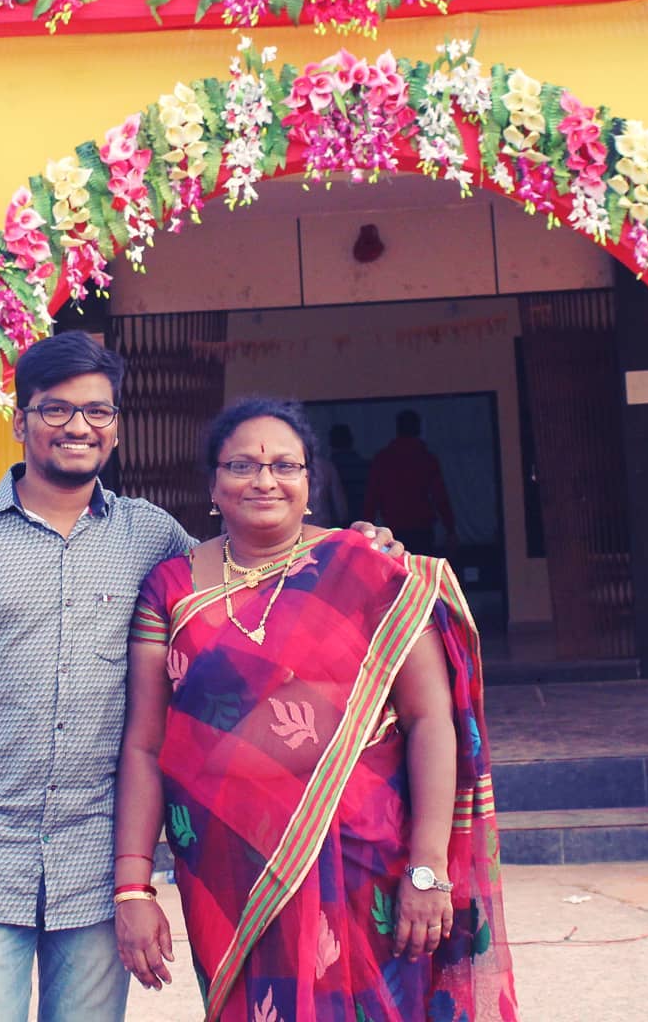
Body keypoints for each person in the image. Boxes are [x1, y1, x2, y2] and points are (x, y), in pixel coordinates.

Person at [0, 333, 401, 1022]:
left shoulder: (153, 539)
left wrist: (351, 552)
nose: (78, 427)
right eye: (56, 409)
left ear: (116, 425)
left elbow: (250, 588)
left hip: (96, 860)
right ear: (20, 421)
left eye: (97, 412)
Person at [114, 398, 518, 1021]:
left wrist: (428, 869)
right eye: (242, 465)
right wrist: (133, 884)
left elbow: (430, 720)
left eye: (285, 464)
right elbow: (145, 743)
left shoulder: (370, 569)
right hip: (230, 869)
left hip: (368, 857)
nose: (264, 479)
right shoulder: (170, 587)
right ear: (213, 485)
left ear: (311, 482)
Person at [362, 409, 457, 557]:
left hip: (394, 526)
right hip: (421, 527)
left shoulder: (383, 459)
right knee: (421, 570)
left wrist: (366, 530)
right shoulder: (426, 458)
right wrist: (450, 529)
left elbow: (372, 497)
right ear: (418, 429)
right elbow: (440, 496)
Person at [328, 423, 370, 528]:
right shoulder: (364, 465)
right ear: (351, 440)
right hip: (363, 519)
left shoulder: (325, 468)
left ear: (331, 442)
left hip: (336, 525)